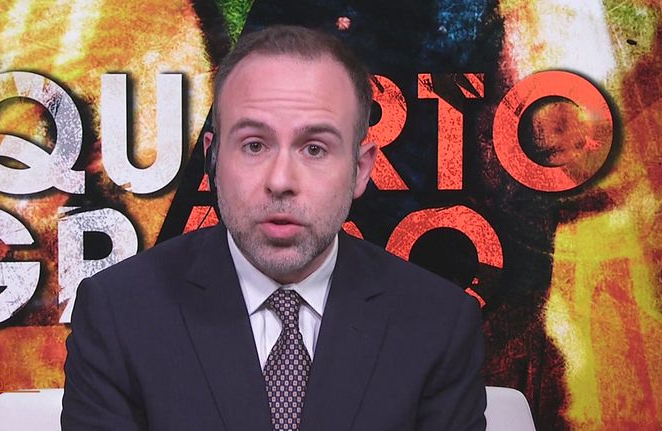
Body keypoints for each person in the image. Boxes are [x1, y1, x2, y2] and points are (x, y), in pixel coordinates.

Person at [63, 25, 486, 430]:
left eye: (315, 149)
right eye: (254, 145)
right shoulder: (119, 314)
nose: (281, 180)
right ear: (213, 160)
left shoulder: (439, 325)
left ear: (360, 169)